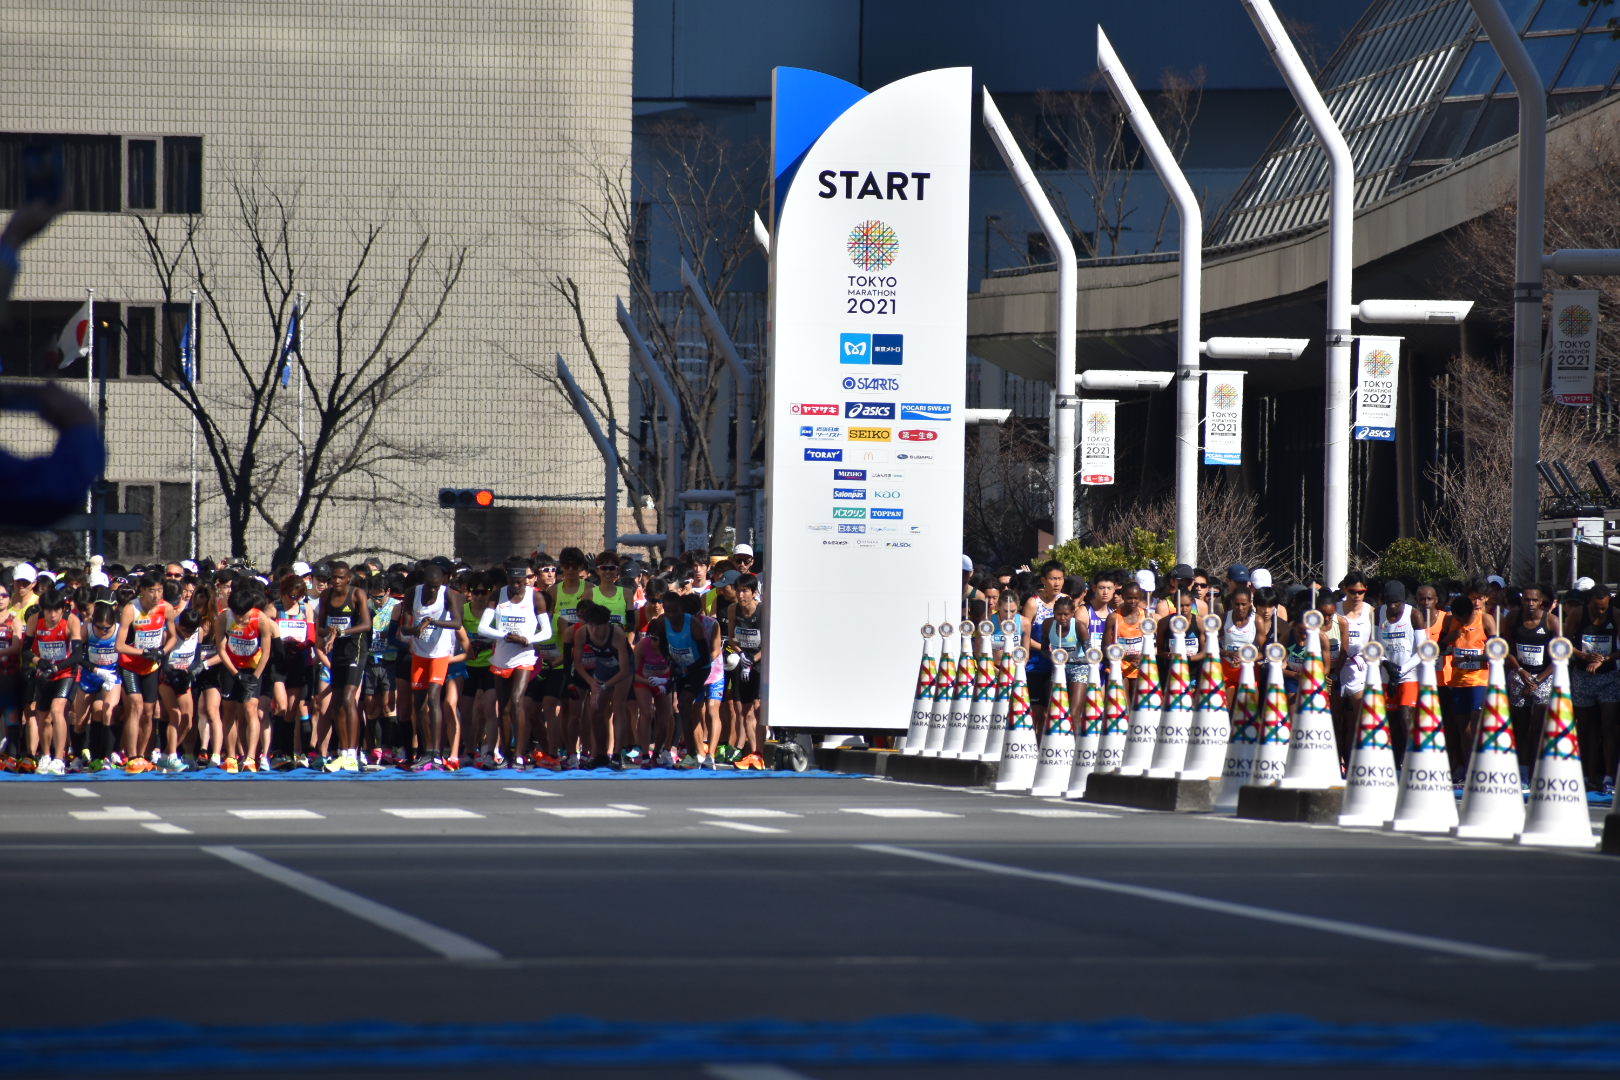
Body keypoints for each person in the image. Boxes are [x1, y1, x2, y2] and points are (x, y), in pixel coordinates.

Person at [477, 559, 551, 769]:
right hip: (502, 656)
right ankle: (506, 753)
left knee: (517, 700)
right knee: (505, 708)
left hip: (524, 656)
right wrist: (505, 635)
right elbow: (483, 628)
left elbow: (547, 632)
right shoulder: (497, 595)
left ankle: (520, 753)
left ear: (526, 580)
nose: (517, 586)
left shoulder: (535, 597)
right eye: (513, 582)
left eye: (520, 582)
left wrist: (527, 640)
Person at [1438, 581, 1497, 782]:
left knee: (1476, 726)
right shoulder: (1451, 621)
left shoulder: (1486, 620)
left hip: (1479, 680)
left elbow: (1497, 651)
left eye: (1461, 619)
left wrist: (1474, 658)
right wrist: (1449, 639)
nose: (1460, 622)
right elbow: (1440, 647)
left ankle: (1481, 768)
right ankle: (1467, 768)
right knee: (1462, 729)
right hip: (1457, 680)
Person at [216, 579, 276, 774]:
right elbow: (221, 649)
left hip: (253, 668)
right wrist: (235, 674)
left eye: (245, 615)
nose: (241, 620)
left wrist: (255, 677)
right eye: (237, 615)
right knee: (230, 711)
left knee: (251, 709)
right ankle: (232, 756)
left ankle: (251, 757)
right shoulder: (224, 618)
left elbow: (266, 652)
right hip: (231, 667)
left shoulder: (261, 619)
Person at [318, 562, 371, 772]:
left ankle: (352, 753)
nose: (337, 581)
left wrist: (342, 633)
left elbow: (366, 624)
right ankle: (342, 752)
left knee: (349, 699)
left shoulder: (357, 594)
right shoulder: (326, 596)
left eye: (341, 577)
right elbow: (320, 628)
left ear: (348, 578)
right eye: (333, 578)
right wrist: (329, 633)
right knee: (337, 702)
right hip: (336, 651)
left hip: (355, 649)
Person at [1568, 585, 1620, 794]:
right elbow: (1564, 642)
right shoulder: (1576, 614)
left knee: (1609, 726)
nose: (1601, 612)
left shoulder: (1616, 615)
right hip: (1583, 676)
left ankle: (1608, 776)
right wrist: (1583, 656)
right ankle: (1587, 775)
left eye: (1604, 608)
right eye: (1597, 608)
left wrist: (1606, 659)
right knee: (1586, 727)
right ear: (1589, 602)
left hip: (1608, 676)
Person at [1504, 582, 1558, 781]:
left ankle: (1537, 770)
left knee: (1538, 727)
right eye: (1526, 600)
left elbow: (1559, 656)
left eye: (1535, 600)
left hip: (1544, 677)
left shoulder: (1551, 622)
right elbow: (1506, 648)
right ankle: (1523, 770)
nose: (1530, 604)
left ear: (1542, 602)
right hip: (1519, 676)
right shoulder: (1512, 618)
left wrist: (1537, 680)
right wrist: (1520, 671)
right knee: (1520, 726)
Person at [725, 573, 766, 770]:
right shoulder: (733, 609)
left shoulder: (763, 611)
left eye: (745, 591)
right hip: (743, 659)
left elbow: (770, 641)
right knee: (744, 709)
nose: (741, 595)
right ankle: (753, 752)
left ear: (754, 592)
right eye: (738, 590)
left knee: (758, 708)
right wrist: (741, 655)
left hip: (760, 660)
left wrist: (754, 659)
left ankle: (759, 754)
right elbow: (732, 637)